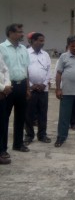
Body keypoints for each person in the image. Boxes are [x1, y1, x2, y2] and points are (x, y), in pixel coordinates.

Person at [0, 24, 30, 152]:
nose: (22, 34)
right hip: (8, 87)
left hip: (22, 85)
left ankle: (18, 143)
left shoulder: (23, 48)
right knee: (3, 118)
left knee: (21, 116)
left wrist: (27, 88)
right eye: (19, 32)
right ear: (11, 33)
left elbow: (26, 69)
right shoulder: (2, 48)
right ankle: (2, 148)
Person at [24, 33, 52, 145]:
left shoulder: (45, 55)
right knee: (28, 113)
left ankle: (42, 135)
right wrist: (30, 84)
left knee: (42, 113)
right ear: (33, 41)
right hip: (30, 89)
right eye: (40, 40)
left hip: (43, 89)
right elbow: (24, 70)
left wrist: (44, 84)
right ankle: (29, 135)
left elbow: (49, 70)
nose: (42, 43)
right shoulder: (25, 53)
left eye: (43, 40)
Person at [0, 54, 12, 164]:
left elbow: (5, 70)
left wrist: (7, 84)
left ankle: (1, 151)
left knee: (2, 124)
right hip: (2, 91)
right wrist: (3, 88)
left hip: (3, 95)